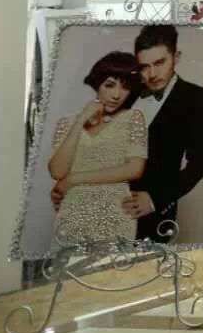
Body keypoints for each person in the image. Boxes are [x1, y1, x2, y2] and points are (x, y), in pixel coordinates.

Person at [122, 25, 203, 242]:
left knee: (149, 262)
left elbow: (202, 160)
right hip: (106, 202)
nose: (152, 74)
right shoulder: (124, 91)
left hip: (152, 213)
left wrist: (155, 199)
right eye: (144, 67)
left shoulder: (197, 98)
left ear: (176, 57)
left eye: (159, 63)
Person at [47, 52, 147, 246]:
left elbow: (134, 169)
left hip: (115, 215)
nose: (117, 95)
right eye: (109, 85)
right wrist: (80, 121)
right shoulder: (67, 122)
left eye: (125, 87)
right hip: (71, 215)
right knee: (68, 264)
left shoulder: (133, 118)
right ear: (97, 84)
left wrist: (73, 179)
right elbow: (57, 171)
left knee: (113, 265)